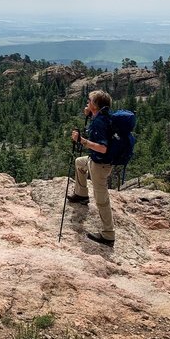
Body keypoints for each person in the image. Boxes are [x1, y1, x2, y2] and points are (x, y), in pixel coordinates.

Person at [68, 90, 116, 247]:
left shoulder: (99, 122)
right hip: (95, 161)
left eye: (89, 101)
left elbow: (102, 148)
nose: (87, 102)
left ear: (95, 105)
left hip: (100, 165)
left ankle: (108, 234)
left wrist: (82, 140)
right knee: (79, 162)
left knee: (101, 199)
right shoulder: (102, 116)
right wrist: (90, 114)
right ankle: (81, 195)